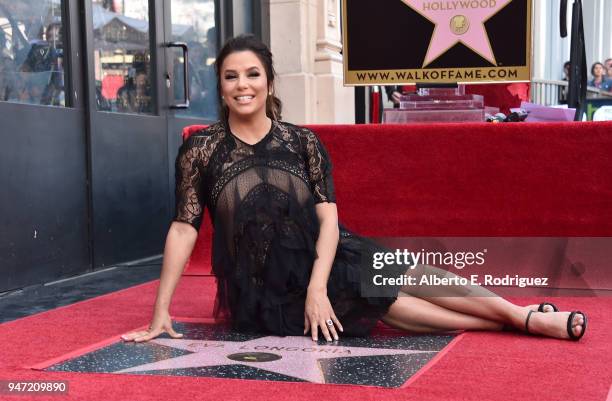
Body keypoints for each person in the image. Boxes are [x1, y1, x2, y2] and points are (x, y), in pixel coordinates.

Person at [122, 34, 587, 344]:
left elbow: (327, 218)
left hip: (327, 254)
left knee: (395, 270)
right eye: (231, 76)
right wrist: (159, 313)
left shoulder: (302, 141)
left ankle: (518, 315)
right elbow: (184, 229)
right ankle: (516, 320)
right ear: (220, 85)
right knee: (384, 304)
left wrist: (317, 286)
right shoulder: (201, 148)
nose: (242, 85)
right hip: (264, 290)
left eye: (252, 74)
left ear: (268, 81)